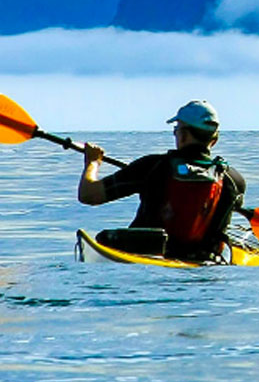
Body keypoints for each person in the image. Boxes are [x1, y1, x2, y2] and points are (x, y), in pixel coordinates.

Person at [77, 100, 246, 261]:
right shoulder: (233, 180)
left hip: (146, 258)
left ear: (184, 135)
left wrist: (92, 163)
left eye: (176, 130)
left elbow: (89, 195)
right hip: (205, 264)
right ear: (214, 140)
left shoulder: (153, 167)